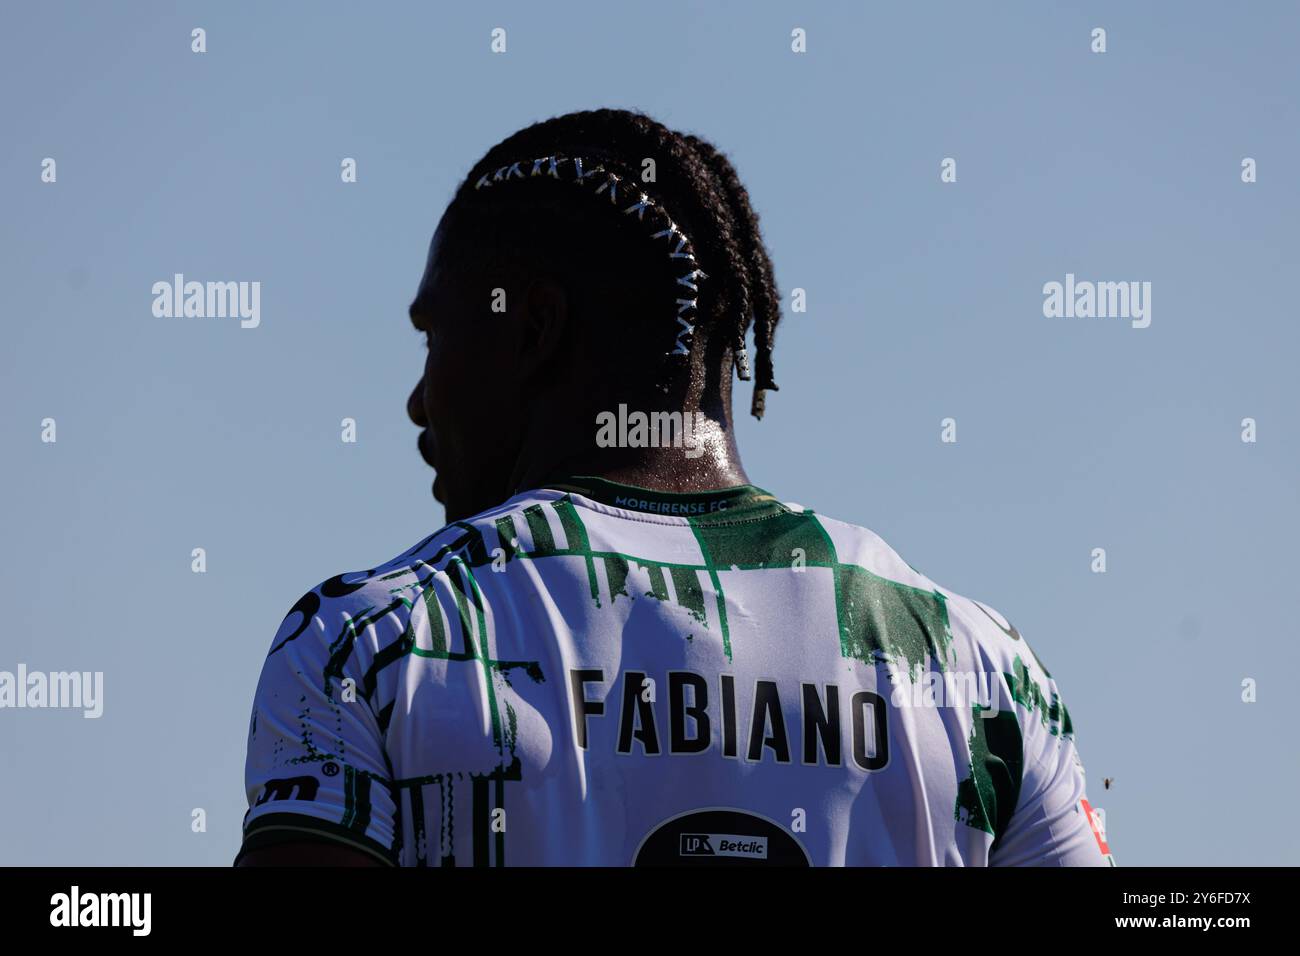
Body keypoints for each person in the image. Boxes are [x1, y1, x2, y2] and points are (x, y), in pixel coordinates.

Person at [235, 109, 1113, 867]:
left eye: (434, 337)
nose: (418, 400)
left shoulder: (375, 645)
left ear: (533, 330)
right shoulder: (979, 671)